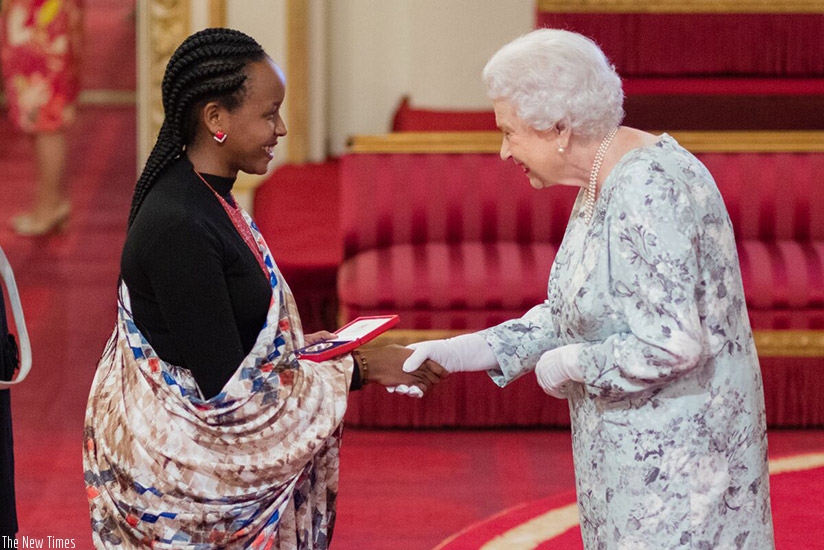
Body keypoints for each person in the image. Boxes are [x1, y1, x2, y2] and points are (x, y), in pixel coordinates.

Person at [402, 28, 775, 548]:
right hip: (632, 462)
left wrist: (575, 363)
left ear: (560, 127)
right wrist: (461, 351)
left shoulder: (646, 186)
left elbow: (671, 343)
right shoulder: (603, 176)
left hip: (680, 474)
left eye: (509, 132)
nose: (504, 151)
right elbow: (575, 310)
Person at [83, 27, 445, 548]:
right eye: (269, 114)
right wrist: (361, 368)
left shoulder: (206, 195)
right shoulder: (179, 224)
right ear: (216, 119)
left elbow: (231, 340)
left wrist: (310, 351)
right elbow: (234, 400)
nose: (281, 128)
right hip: (183, 496)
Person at [0, 0, 82, 236]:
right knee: (39, 118)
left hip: (42, 19)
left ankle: (50, 206)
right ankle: (52, 202)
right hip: (36, 17)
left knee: (46, 120)